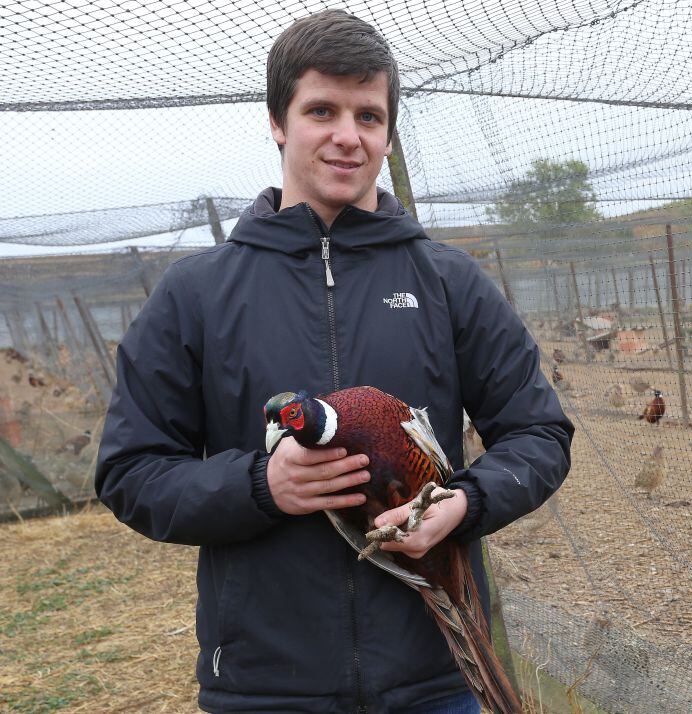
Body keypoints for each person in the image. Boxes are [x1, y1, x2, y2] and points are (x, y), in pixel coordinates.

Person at [95, 10, 573, 713]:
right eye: (322, 110)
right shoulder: (196, 294)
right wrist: (262, 487)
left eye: (369, 116)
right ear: (278, 121)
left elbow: (539, 434)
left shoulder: (448, 281)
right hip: (264, 686)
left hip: (436, 672)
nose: (348, 137)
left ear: (388, 132)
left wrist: (464, 503)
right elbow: (130, 471)